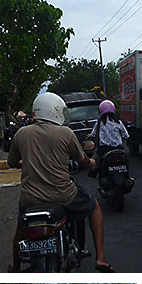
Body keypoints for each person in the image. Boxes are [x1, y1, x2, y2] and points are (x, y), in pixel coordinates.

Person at [8, 91, 114, 273]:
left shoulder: (21, 134)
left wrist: (28, 162)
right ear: (54, 110)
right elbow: (83, 161)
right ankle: (101, 258)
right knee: (94, 206)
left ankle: (16, 269)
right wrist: (92, 163)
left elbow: (11, 162)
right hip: (64, 195)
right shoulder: (66, 133)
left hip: (30, 199)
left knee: (21, 227)